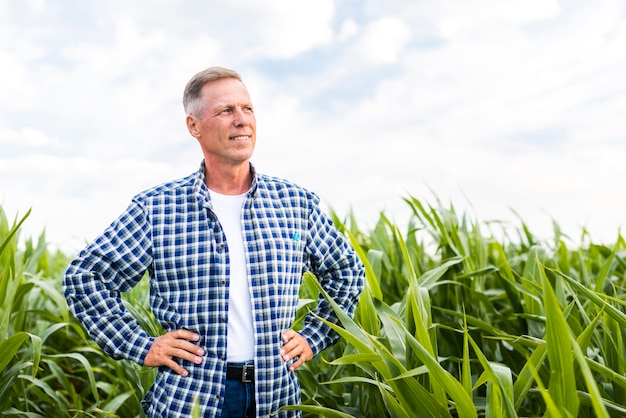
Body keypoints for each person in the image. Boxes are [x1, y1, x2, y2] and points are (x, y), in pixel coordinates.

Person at [63, 66, 365, 417]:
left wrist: (313, 337)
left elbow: (347, 272)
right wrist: (142, 346)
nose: (241, 120)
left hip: (276, 398)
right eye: (226, 111)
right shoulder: (157, 208)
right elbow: (85, 276)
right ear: (194, 126)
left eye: (247, 109)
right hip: (190, 398)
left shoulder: (296, 204)